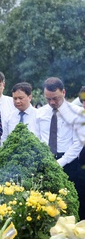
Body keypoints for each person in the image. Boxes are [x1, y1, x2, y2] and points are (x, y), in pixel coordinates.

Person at [36, 77, 84, 219]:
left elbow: (78, 143)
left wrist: (60, 162)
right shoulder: (40, 113)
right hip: (46, 161)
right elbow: (37, 138)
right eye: (48, 99)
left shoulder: (77, 112)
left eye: (55, 98)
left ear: (63, 92)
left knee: (70, 203)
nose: (52, 102)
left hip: (69, 163)